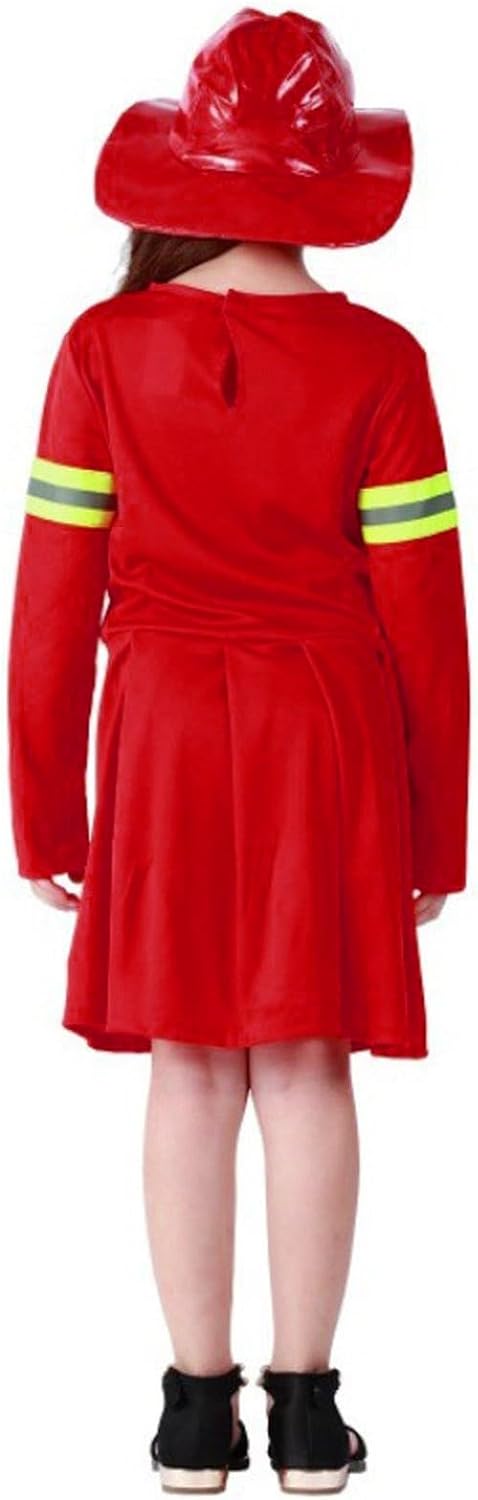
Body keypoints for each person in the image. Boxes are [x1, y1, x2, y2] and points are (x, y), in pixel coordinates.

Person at [7, 8, 470, 1495]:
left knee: (192, 1068)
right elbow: (427, 618)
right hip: (323, 733)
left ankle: (192, 1417)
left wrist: (45, 812)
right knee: (309, 1063)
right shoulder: (381, 361)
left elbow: (51, 602)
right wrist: (437, 828)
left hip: (155, 734)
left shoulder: (100, 347)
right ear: (330, 179)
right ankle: (312, 1417)